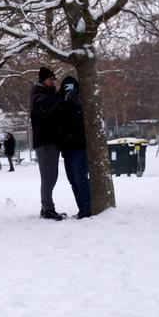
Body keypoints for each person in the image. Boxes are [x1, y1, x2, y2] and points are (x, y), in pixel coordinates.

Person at [30, 66, 65, 220]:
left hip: (50, 141)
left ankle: (47, 207)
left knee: (52, 175)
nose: (53, 82)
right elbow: (44, 104)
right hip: (44, 142)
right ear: (43, 80)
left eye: (53, 79)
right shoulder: (38, 95)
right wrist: (60, 97)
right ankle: (47, 208)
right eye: (50, 79)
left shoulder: (47, 95)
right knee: (48, 176)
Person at [57, 76, 92, 218]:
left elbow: (86, 116)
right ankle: (82, 209)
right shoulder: (60, 102)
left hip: (79, 146)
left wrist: (76, 101)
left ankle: (88, 208)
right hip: (67, 148)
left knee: (80, 178)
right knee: (73, 180)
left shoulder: (81, 101)